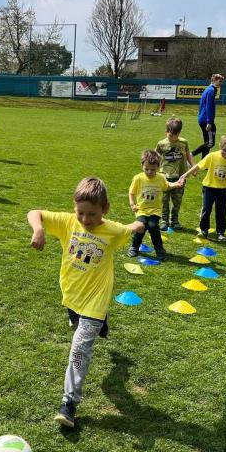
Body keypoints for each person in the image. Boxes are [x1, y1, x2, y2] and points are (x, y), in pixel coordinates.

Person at [27, 177, 145, 428]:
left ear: (105, 209)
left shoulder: (112, 231)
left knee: (79, 350)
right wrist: (38, 229)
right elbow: (34, 213)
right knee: (79, 329)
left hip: (95, 302)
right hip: (72, 297)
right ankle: (99, 323)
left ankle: (69, 403)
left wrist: (140, 223)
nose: (85, 219)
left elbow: (130, 227)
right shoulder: (68, 222)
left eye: (92, 214)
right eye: (81, 212)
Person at [180, 133, 226, 241]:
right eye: (224, 151)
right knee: (206, 209)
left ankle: (220, 232)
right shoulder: (212, 156)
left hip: (223, 190)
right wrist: (185, 174)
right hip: (209, 188)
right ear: (220, 146)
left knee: (221, 211)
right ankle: (204, 230)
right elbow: (198, 166)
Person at [128, 150, 184, 260]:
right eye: (146, 169)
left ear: (158, 167)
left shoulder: (160, 178)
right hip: (141, 209)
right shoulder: (138, 178)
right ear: (142, 165)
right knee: (141, 226)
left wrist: (176, 184)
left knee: (153, 226)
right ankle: (134, 247)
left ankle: (159, 249)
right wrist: (132, 204)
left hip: (155, 210)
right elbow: (131, 192)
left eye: (153, 170)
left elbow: (166, 186)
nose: (149, 172)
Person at [155, 117, 194, 230]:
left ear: (179, 133)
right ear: (166, 131)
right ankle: (164, 220)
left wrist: (193, 166)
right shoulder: (161, 144)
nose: (172, 137)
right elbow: (155, 157)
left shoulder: (183, 143)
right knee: (164, 200)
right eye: (170, 134)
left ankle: (174, 220)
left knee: (177, 200)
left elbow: (188, 154)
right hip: (164, 177)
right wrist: (153, 171)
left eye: (174, 135)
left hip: (180, 177)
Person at [191, 74, 224, 158]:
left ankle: (203, 162)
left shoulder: (208, 89)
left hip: (203, 119)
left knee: (207, 142)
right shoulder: (211, 90)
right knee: (210, 143)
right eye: (219, 81)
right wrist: (209, 122)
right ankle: (191, 155)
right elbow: (208, 106)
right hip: (206, 120)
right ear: (214, 80)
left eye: (222, 82)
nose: (221, 83)